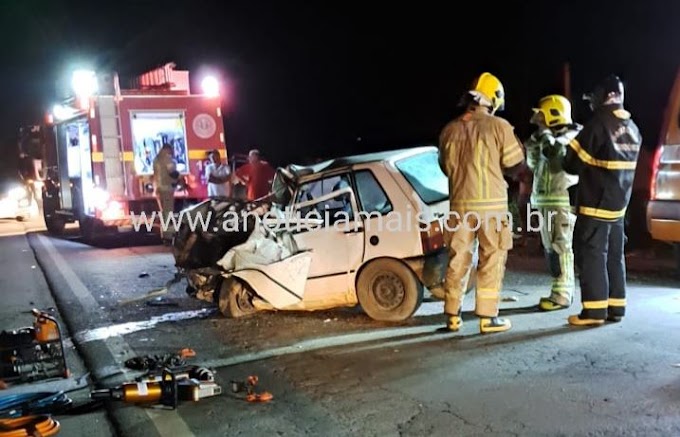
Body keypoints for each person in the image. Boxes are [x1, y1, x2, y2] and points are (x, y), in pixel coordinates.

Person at [438, 72, 525, 334]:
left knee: (458, 259)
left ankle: (452, 315)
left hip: (460, 206)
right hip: (492, 209)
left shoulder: (449, 130)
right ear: (494, 98)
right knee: (492, 259)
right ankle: (488, 318)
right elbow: (515, 165)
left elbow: (445, 167)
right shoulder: (499, 126)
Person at [563, 75, 641, 326]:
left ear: (605, 96)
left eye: (593, 98)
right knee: (614, 256)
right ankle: (616, 307)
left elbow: (571, 165)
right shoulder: (632, 127)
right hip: (619, 206)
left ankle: (594, 311)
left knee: (592, 254)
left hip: (595, 203)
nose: (591, 103)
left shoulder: (598, 124)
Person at [525, 95, 582, 311]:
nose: (538, 119)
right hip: (544, 200)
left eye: (542, 114)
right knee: (551, 249)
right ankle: (557, 290)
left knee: (561, 247)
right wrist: (535, 140)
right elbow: (532, 163)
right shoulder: (545, 137)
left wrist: (545, 134)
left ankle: (562, 295)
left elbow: (554, 155)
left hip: (562, 201)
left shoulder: (573, 136)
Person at [153, 143, 179, 244]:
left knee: (163, 213)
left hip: (159, 189)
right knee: (168, 214)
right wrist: (180, 178)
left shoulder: (156, 159)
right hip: (167, 189)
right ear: (167, 149)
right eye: (171, 150)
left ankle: (163, 235)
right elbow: (172, 172)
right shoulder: (167, 159)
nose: (172, 152)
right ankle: (168, 237)